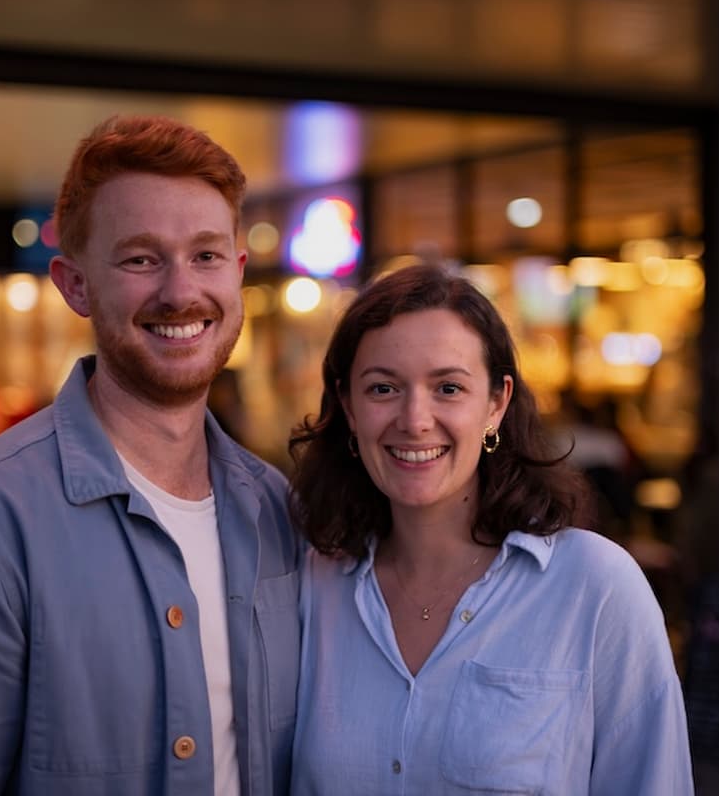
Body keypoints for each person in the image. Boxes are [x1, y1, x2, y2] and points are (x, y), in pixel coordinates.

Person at [0, 115, 299, 796]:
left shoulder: (280, 511)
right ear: (76, 285)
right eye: (141, 259)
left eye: (206, 255)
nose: (181, 292)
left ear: (237, 275)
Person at [288, 264, 694, 795]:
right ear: (348, 405)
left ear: (496, 404)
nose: (415, 419)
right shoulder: (309, 586)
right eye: (383, 387)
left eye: (448, 388)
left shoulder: (594, 587)